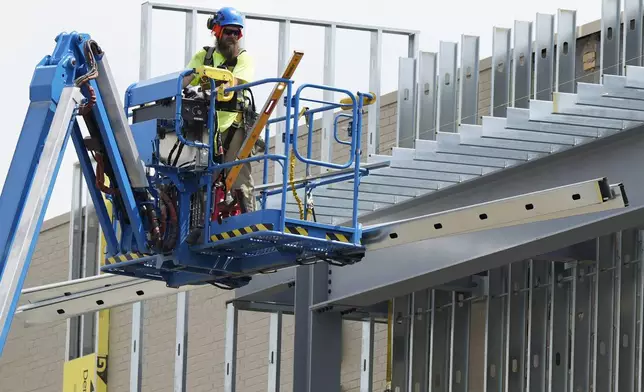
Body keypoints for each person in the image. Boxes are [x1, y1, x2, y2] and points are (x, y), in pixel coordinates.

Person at [182, 6, 257, 213]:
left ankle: (249, 221)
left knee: (238, 175)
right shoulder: (204, 57)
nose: (233, 37)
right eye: (228, 32)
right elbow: (185, 79)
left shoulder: (243, 58)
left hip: (235, 123)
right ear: (216, 31)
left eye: (237, 32)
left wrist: (209, 88)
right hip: (209, 125)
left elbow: (236, 82)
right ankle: (200, 221)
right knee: (201, 174)